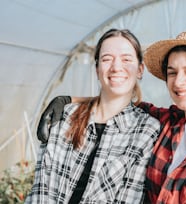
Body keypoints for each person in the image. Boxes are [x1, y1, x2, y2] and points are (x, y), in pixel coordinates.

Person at [36, 30, 186, 203]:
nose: (178, 82)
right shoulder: (167, 123)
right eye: (172, 72)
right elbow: (118, 99)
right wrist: (68, 100)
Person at [25, 28, 160, 204]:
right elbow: (42, 190)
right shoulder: (65, 117)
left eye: (126, 59)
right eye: (106, 59)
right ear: (97, 69)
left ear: (140, 70)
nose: (116, 67)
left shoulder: (146, 131)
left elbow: (129, 198)